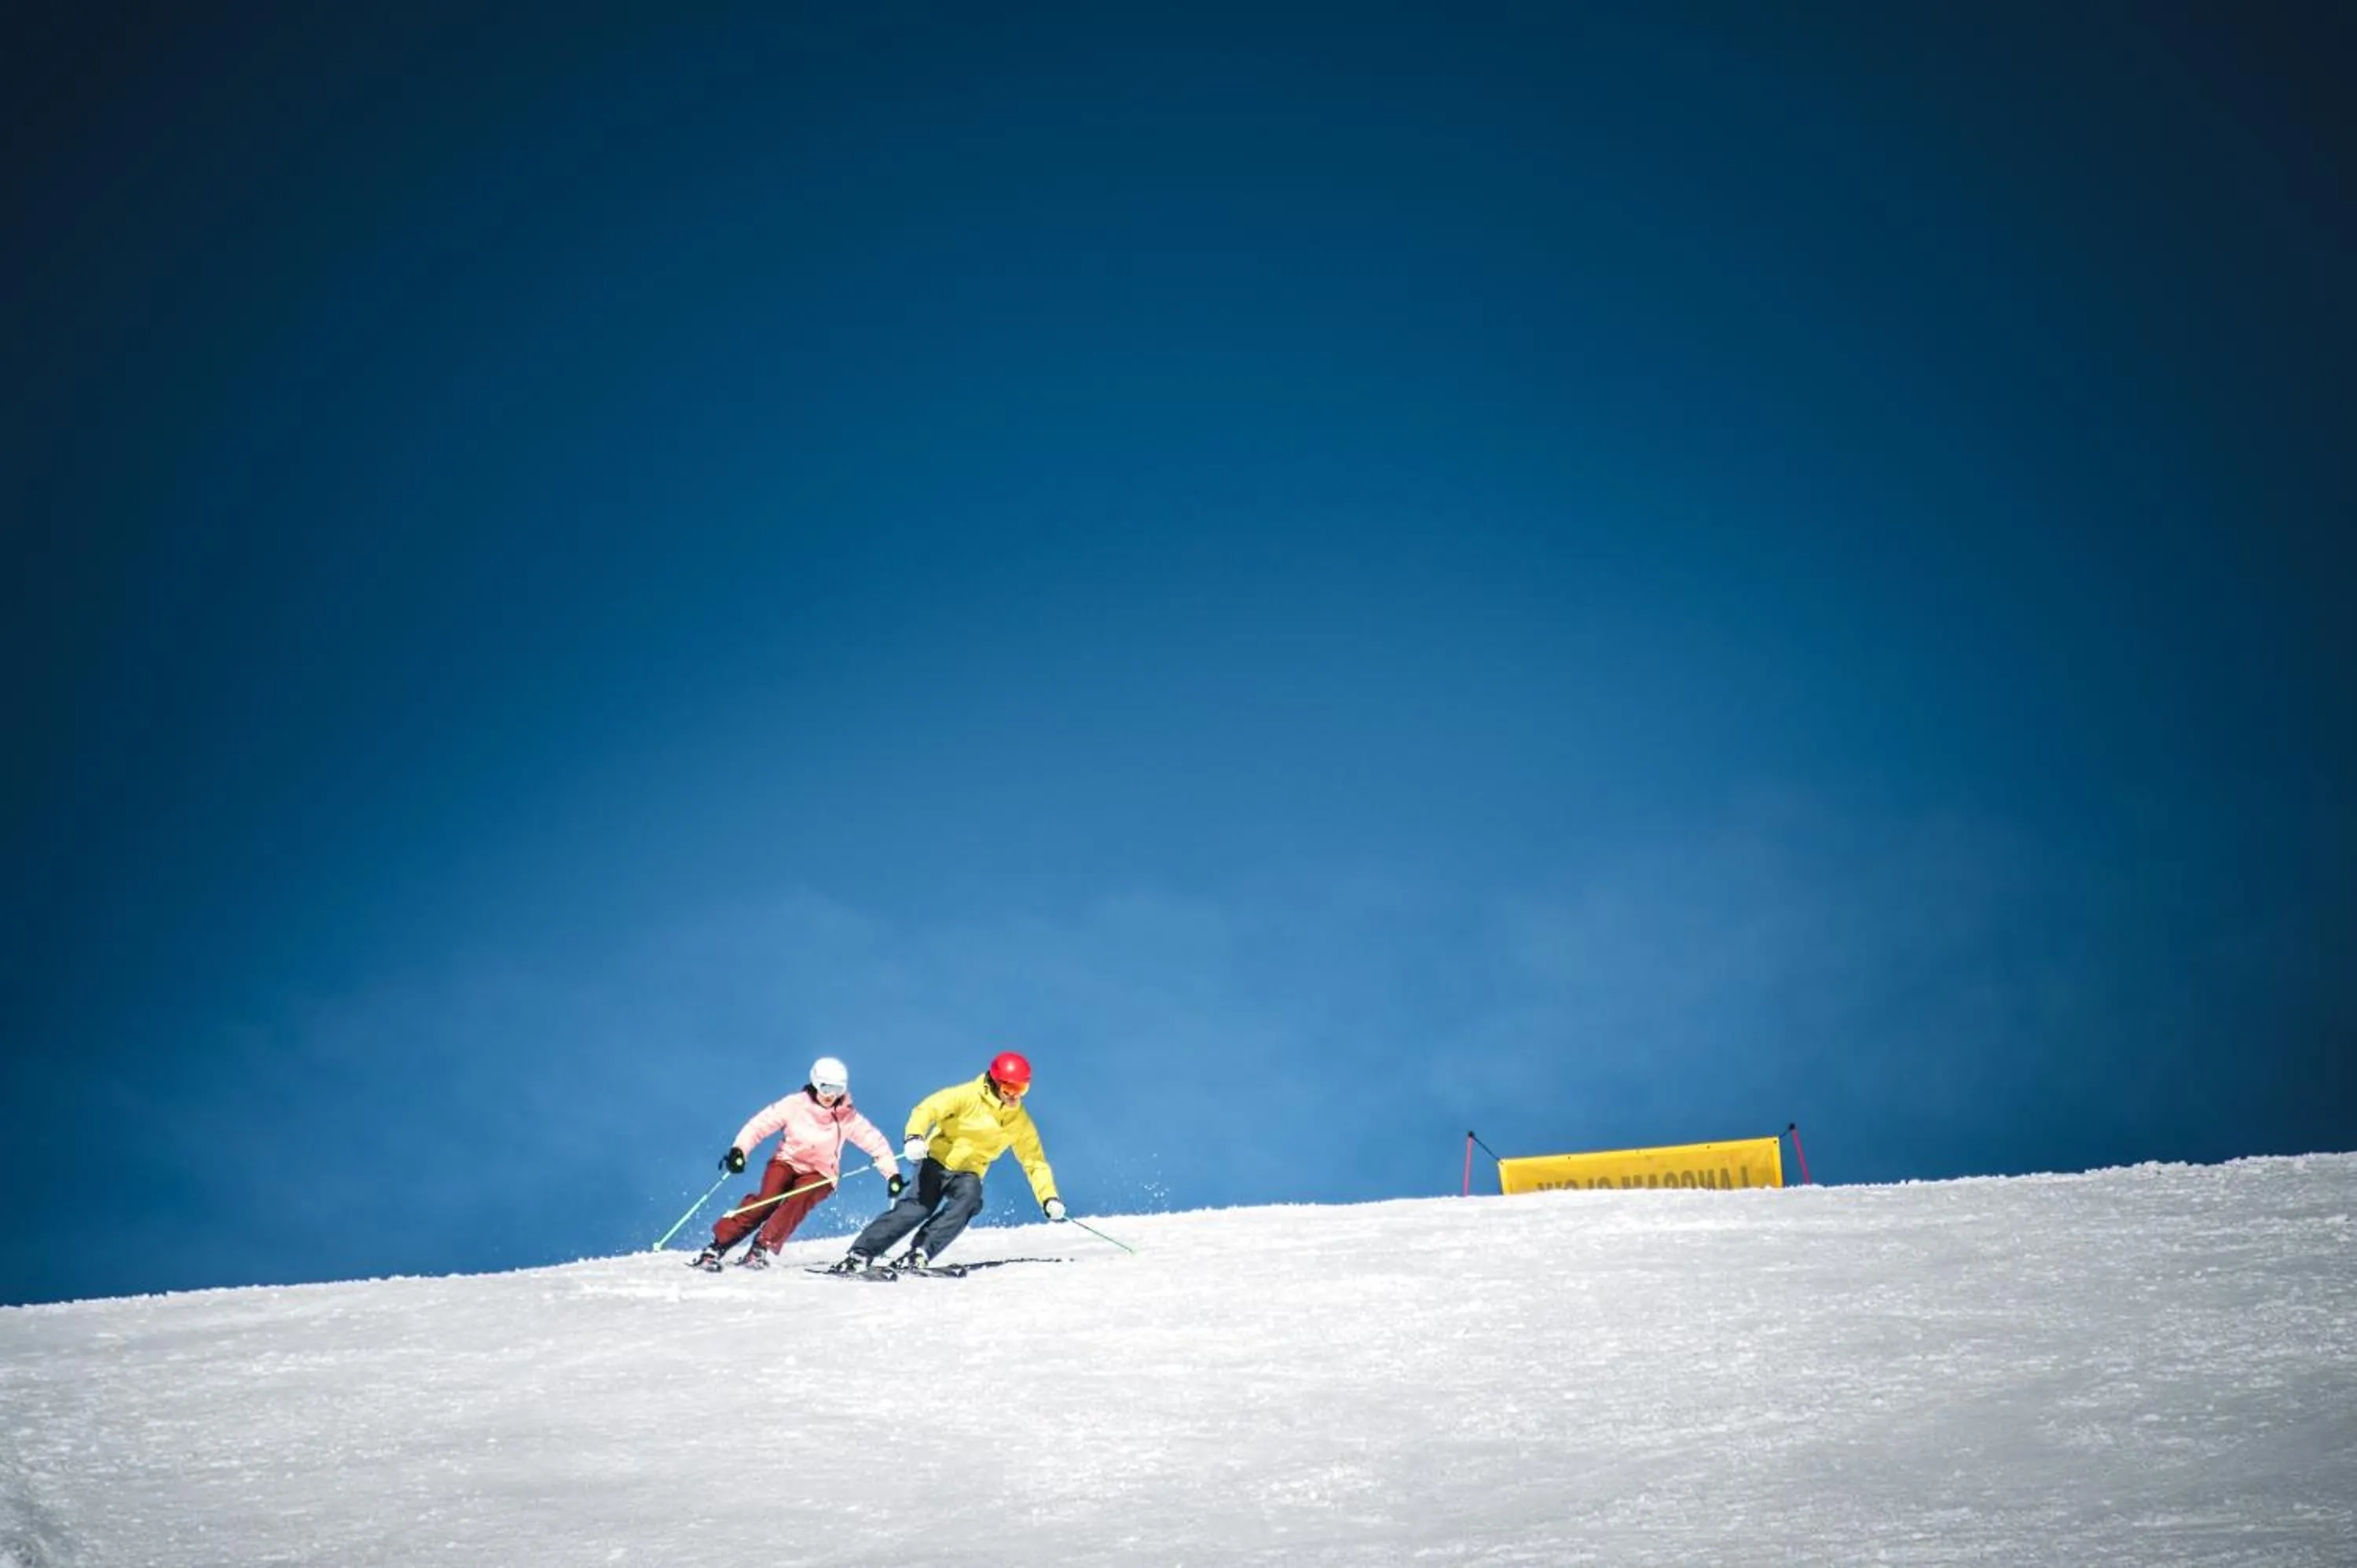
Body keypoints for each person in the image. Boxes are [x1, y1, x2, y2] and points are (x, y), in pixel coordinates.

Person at [827, 1050, 1065, 1273]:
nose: (1015, 1095)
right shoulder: (967, 1096)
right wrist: (914, 1137)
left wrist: (1049, 1198)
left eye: (1022, 1088)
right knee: (918, 1208)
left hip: (968, 1173)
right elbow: (928, 1109)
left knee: (970, 1198)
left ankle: (920, 1252)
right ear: (994, 1081)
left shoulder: (1019, 1122)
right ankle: (860, 1254)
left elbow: (1034, 1162)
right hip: (936, 1161)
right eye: (1009, 1087)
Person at [692, 1055, 903, 1271]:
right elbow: (760, 1125)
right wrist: (739, 1151)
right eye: (825, 1087)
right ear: (815, 1082)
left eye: (837, 1089)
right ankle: (717, 1246)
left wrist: (892, 1175)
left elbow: (876, 1143)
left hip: (820, 1173)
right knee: (766, 1201)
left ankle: (760, 1248)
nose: (830, 1095)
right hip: (787, 1162)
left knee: (797, 1200)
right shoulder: (795, 1105)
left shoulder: (847, 1117)